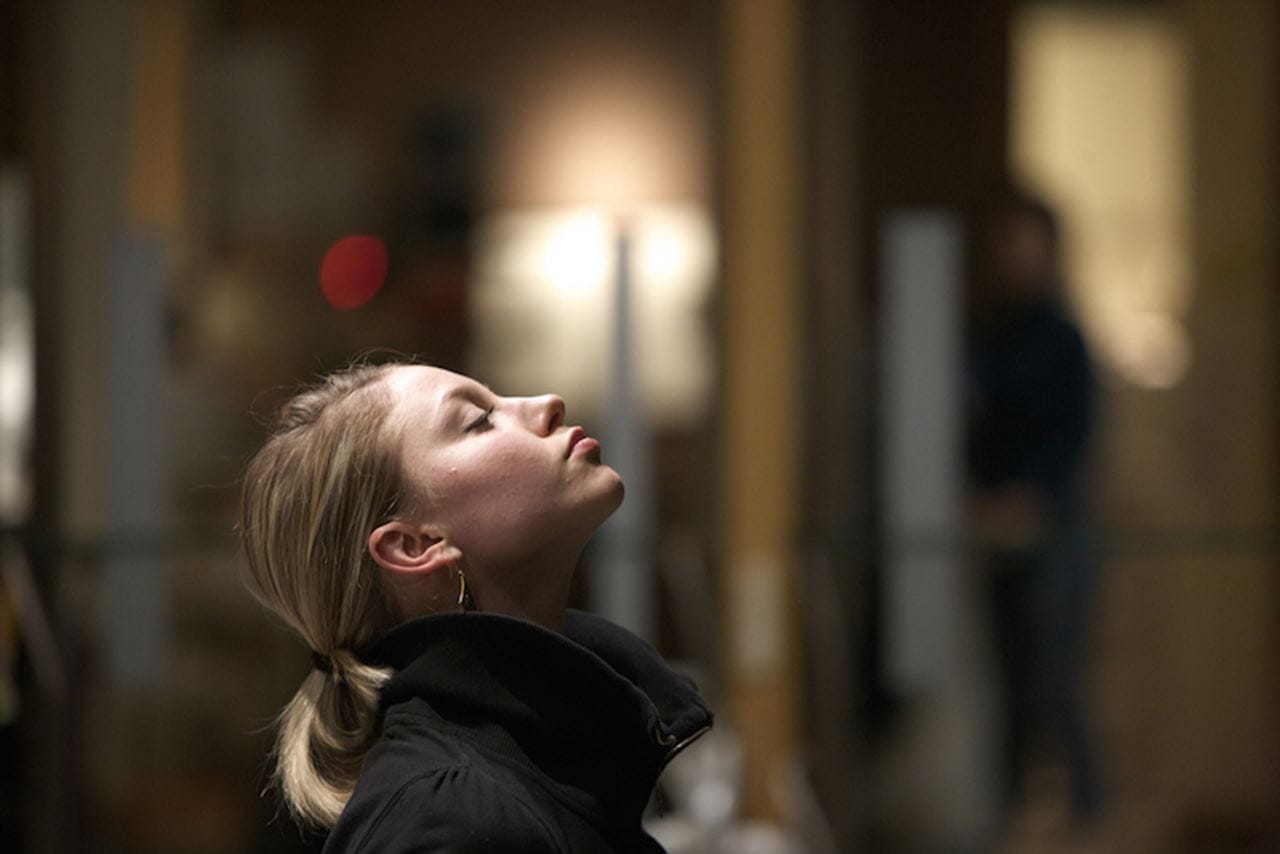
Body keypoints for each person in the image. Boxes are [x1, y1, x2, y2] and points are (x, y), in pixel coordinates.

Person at [239, 361, 712, 852]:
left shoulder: (562, 760)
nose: (548, 402)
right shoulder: (447, 818)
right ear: (415, 546)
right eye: (480, 420)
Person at [966, 189, 1102, 833]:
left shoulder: (1066, 340)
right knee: (1010, 690)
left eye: (1023, 240)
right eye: (1004, 241)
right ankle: (1008, 821)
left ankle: (1087, 820)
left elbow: (1075, 441)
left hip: (1057, 533)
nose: (1011, 255)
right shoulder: (991, 336)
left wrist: (1031, 502)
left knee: (1058, 684)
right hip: (995, 536)